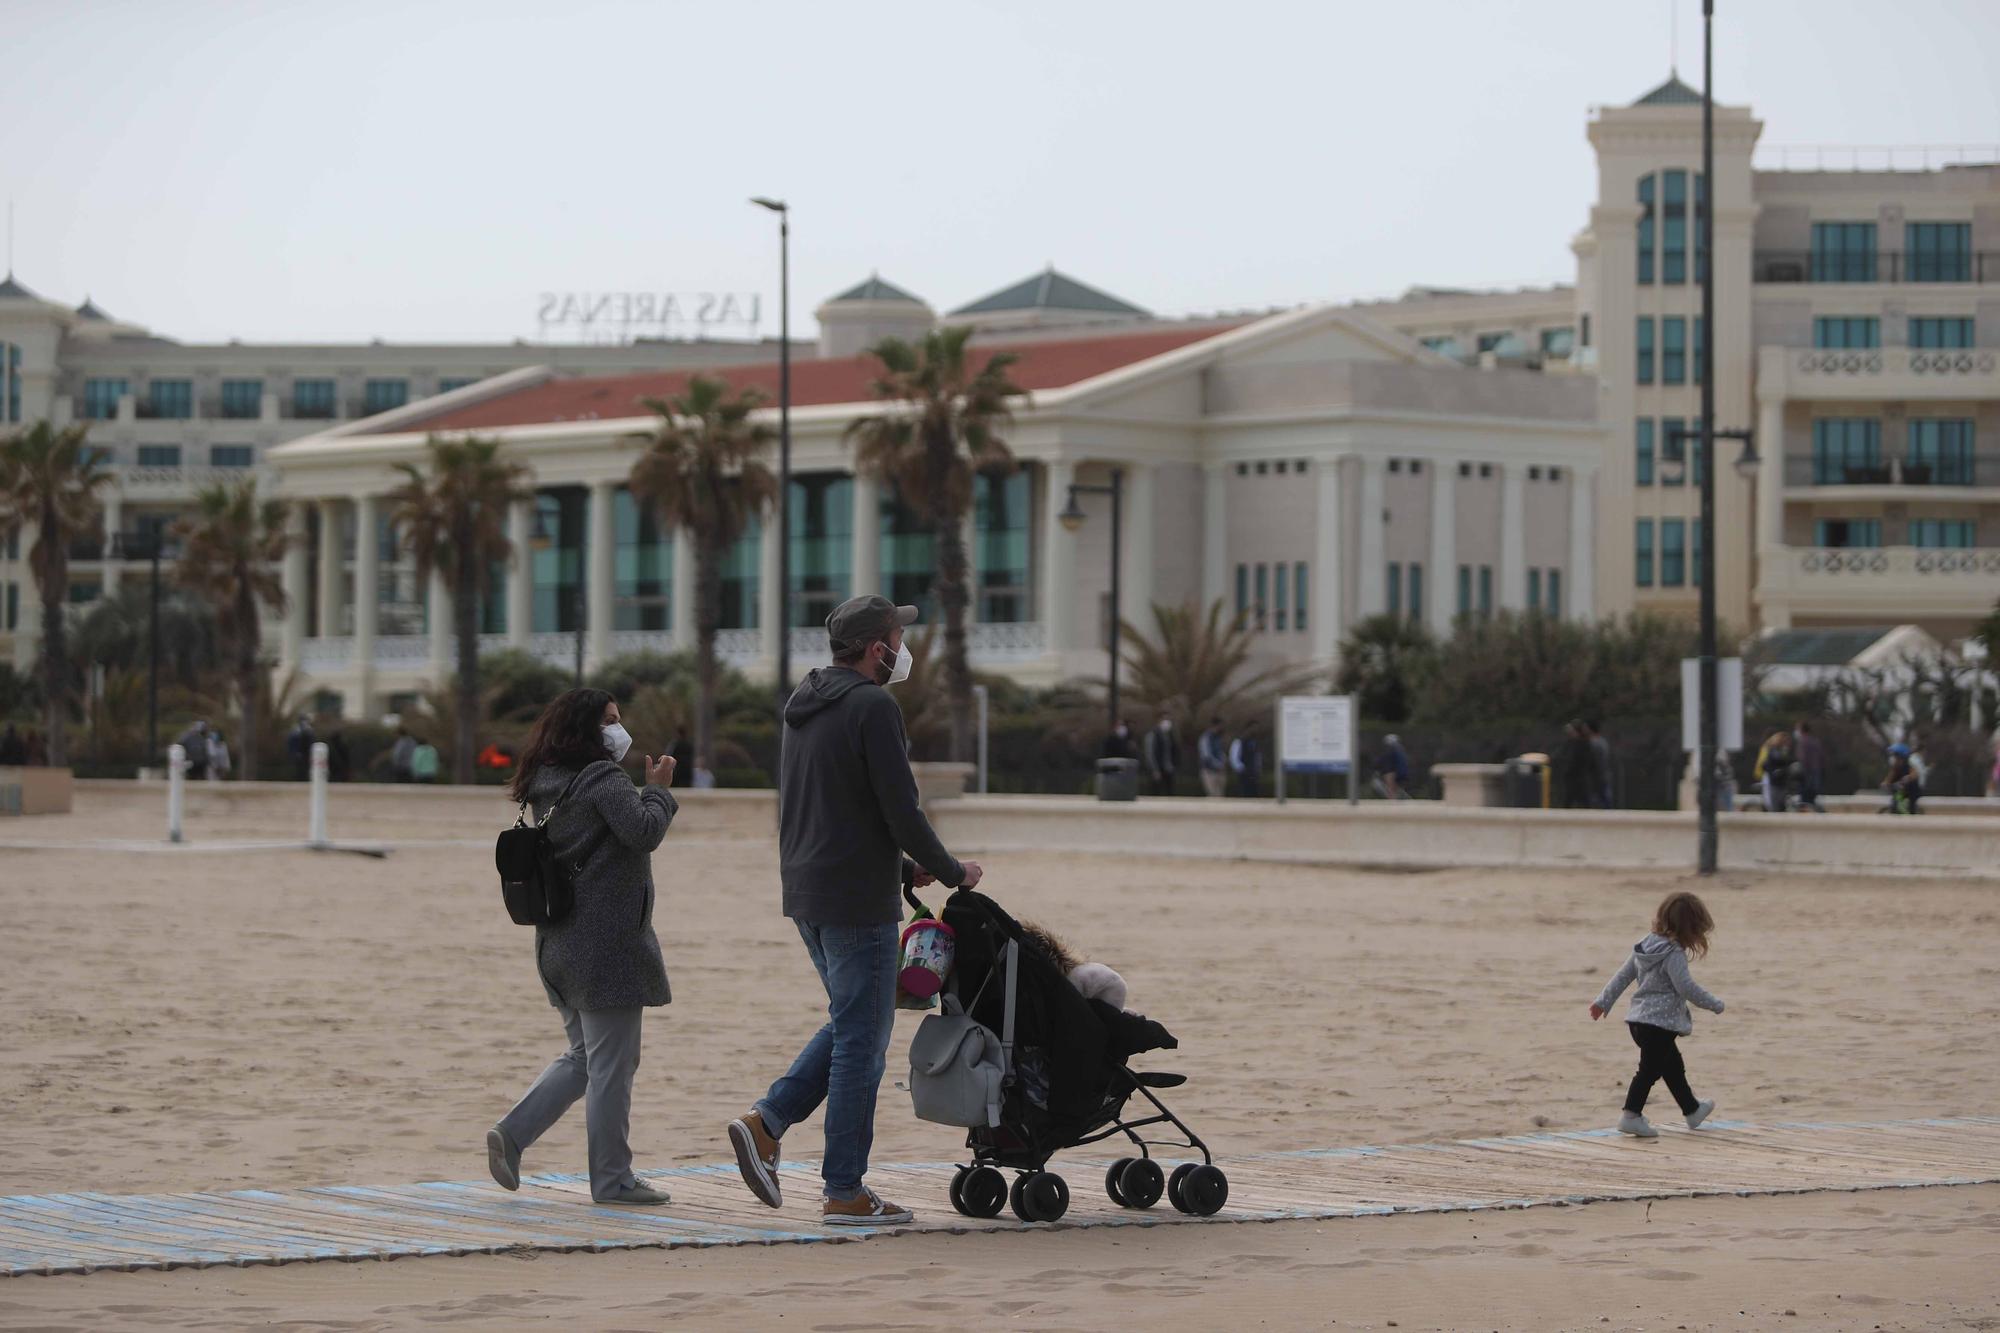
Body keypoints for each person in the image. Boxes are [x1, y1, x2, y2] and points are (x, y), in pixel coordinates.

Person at [727, 595, 981, 1229]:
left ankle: (767, 1126)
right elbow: (901, 809)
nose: (904, 649)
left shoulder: (803, 704)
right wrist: (953, 873)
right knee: (863, 1047)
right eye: (898, 636)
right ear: (877, 648)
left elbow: (831, 807)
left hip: (810, 889)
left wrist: (899, 869)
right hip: (855, 904)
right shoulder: (873, 705)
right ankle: (843, 1189)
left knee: (851, 1024)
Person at [488, 686, 678, 1206]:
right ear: (585, 730)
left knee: (584, 1057)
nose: (619, 729)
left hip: (559, 943)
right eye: (610, 720)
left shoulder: (543, 781)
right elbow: (643, 832)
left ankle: (513, 1134)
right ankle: (613, 1180)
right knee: (612, 1066)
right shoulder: (600, 777)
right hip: (606, 949)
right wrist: (658, 789)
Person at [1589, 890, 1725, 1139]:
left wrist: (1602, 1002)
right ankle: (1630, 1116)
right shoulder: (1674, 954)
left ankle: (1692, 1110)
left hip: (1638, 1021)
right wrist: (1714, 1003)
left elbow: (1623, 975)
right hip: (1660, 1025)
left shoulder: (1646, 944)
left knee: (1672, 1066)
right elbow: (1686, 987)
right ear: (1691, 928)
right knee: (1649, 1071)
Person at [1558, 720, 1596, 809]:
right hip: (1573, 777)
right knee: (1569, 799)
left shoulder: (1583, 744)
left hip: (1579, 777)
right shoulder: (1572, 743)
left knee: (1583, 800)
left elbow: (1582, 761)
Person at [1755, 729, 1794, 813]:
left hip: (1777, 780)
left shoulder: (1776, 750)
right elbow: (1765, 764)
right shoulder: (1773, 750)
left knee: (1778, 804)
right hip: (1772, 779)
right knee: (1774, 804)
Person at [1792, 720, 1825, 813]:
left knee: (1804, 799)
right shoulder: (1815, 740)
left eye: (1797, 729)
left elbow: (1802, 759)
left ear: (1801, 730)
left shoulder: (1802, 742)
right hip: (1816, 772)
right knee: (1811, 798)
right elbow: (1822, 758)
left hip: (1806, 774)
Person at [1142, 713, 1178, 797]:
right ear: (1159, 721)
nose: (1167, 722)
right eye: (1165, 720)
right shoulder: (1153, 735)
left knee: (1170, 793)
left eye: (1168, 720)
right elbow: (1150, 754)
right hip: (1157, 769)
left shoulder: (1170, 735)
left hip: (1168, 769)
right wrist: (1154, 769)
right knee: (1155, 793)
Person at [1372, 734, 1411, 799]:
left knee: (1391, 789)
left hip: (1390, 771)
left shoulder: (1391, 749)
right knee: (1394, 789)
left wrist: (1377, 766)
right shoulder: (1400, 749)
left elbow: (1384, 759)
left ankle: (1393, 801)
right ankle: (1395, 800)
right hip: (1398, 771)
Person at [1197, 718, 1228, 798]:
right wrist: (1218, 764)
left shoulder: (1219, 737)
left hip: (1220, 770)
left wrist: (1223, 762)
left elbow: (1221, 752)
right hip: (1209, 770)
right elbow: (1206, 755)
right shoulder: (1206, 738)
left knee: (1220, 795)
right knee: (1212, 794)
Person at [1229, 726, 1262, 798]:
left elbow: (1257, 757)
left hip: (1253, 773)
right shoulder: (1239, 741)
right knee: (1244, 793)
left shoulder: (1255, 742)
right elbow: (1234, 758)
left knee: (1254, 794)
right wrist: (1242, 769)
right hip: (1244, 773)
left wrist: (1257, 768)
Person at [1586, 720, 1613, 808]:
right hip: (1603, 772)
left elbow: (1593, 759)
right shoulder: (1603, 741)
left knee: (1597, 794)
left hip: (1597, 773)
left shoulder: (1593, 742)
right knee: (1604, 794)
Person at [286, 715, 316, 782]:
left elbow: (311, 742)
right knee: (299, 769)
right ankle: (299, 780)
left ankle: (304, 780)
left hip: (306, 754)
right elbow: (292, 743)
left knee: (306, 769)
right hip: (299, 754)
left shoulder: (309, 730)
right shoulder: (296, 731)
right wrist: (294, 752)